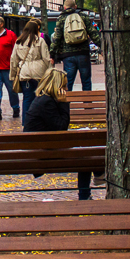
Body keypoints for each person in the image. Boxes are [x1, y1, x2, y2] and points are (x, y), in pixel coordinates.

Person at [23, 69, 101, 200]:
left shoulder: (42, 100)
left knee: (83, 152)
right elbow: (61, 126)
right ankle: (94, 181)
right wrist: (64, 102)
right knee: (85, 155)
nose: (66, 89)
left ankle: (95, 180)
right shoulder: (46, 102)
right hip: (41, 154)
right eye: (64, 86)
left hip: (39, 148)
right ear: (56, 86)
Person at [50, 0, 101, 93]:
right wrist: (101, 47)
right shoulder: (83, 16)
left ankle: (67, 106)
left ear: (64, 7)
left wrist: (52, 54)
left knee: (68, 83)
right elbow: (93, 33)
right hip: (83, 54)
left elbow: (56, 38)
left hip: (67, 55)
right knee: (86, 82)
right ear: (75, 6)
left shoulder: (61, 18)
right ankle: (87, 105)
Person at [10, 19, 52, 127]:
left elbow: (13, 59)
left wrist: (13, 75)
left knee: (27, 98)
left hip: (25, 73)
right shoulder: (40, 41)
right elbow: (46, 58)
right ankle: (39, 121)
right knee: (40, 98)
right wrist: (50, 72)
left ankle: (26, 122)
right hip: (39, 73)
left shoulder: (19, 41)